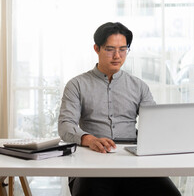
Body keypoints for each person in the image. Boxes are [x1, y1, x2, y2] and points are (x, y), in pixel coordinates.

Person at [58, 22, 181, 196]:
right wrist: (90, 139)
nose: (117, 56)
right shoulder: (76, 85)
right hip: (91, 165)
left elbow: (154, 124)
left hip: (133, 163)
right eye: (110, 49)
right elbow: (65, 125)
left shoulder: (139, 86)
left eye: (123, 49)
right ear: (96, 48)